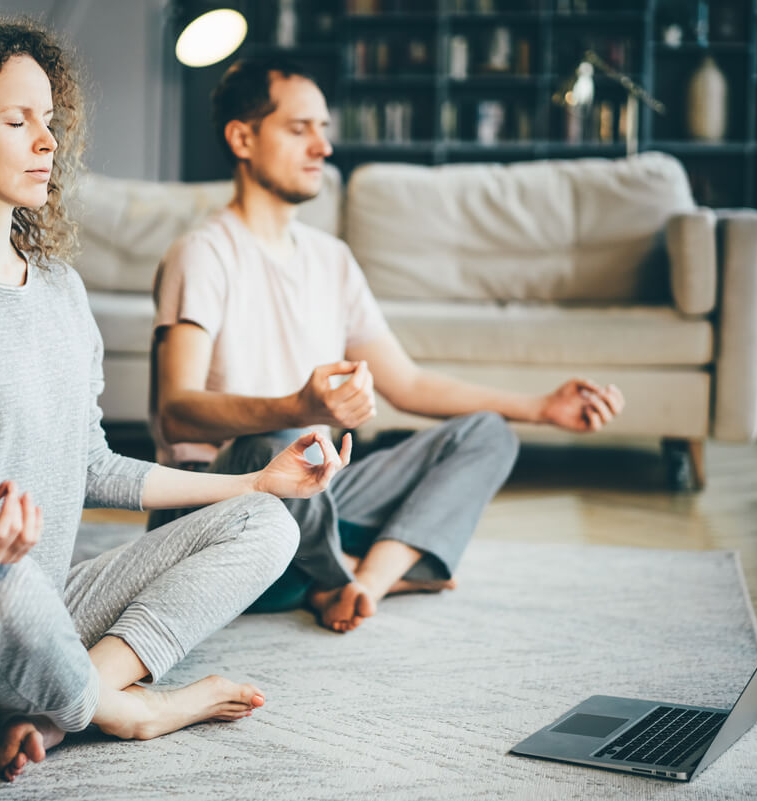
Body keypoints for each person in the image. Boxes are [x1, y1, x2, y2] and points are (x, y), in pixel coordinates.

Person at [0, 17, 351, 783]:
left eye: (50, 120)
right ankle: (129, 707)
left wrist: (255, 480)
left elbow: (94, 465)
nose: (46, 141)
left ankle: (57, 701)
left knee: (265, 523)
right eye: (17, 122)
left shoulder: (60, 290)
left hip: (44, 604)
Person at [149, 56, 625, 635]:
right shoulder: (203, 253)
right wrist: (298, 408)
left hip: (313, 494)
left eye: (325, 130)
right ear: (242, 138)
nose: (322, 147)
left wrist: (541, 408)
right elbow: (177, 411)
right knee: (283, 439)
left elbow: (410, 384)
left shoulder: (331, 260)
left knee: (488, 432)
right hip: (218, 503)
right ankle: (347, 572)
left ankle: (359, 584)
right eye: (300, 129)